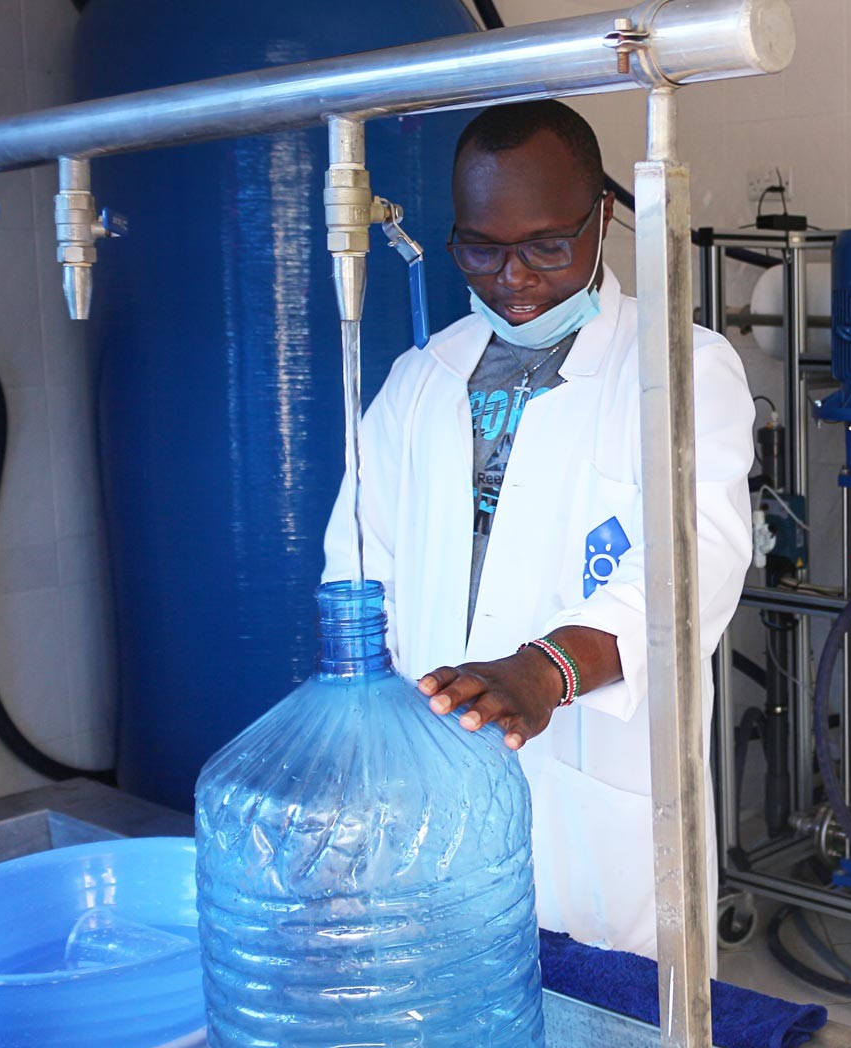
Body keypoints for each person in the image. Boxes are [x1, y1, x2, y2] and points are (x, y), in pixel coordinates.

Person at [321, 100, 753, 959]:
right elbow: (360, 564)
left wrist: (548, 669)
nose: (512, 278)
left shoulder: (679, 368)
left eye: (547, 247)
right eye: (481, 250)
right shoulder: (420, 381)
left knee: (611, 1028)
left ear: (601, 219)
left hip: (596, 797)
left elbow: (697, 558)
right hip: (432, 780)